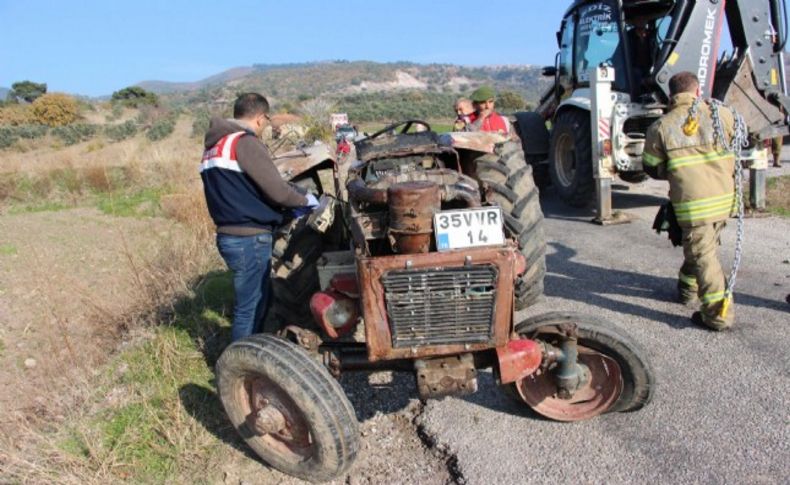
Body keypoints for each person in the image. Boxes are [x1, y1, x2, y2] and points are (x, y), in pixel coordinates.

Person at [200, 93, 318, 341]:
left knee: (253, 300)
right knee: (250, 308)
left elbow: (242, 190)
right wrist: (306, 200)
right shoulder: (245, 143)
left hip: (228, 234)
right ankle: (242, 366)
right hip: (249, 237)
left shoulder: (214, 147)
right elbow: (276, 190)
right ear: (261, 118)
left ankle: (251, 356)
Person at [643, 72, 737, 331]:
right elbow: (740, 140)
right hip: (725, 200)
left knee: (703, 254)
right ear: (697, 91)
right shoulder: (722, 115)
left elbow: (651, 167)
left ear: (671, 95)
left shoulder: (661, 127)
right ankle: (686, 290)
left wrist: (673, 170)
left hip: (693, 205)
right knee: (702, 247)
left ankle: (718, 316)